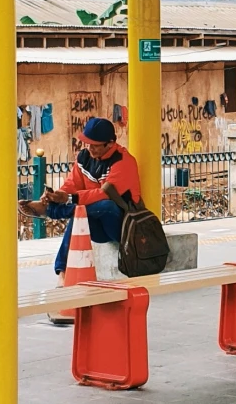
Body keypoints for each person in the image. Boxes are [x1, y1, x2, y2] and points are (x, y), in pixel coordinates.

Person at [19, 117, 147, 308]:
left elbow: (104, 194)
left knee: (104, 205)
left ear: (110, 144)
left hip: (123, 226)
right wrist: (59, 194)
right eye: (87, 144)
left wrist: (70, 199)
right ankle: (62, 275)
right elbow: (72, 184)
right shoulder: (83, 158)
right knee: (80, 215)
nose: (90, 148)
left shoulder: (124, 161)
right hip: (94, 219)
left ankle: (52, 212)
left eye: (95, 145)